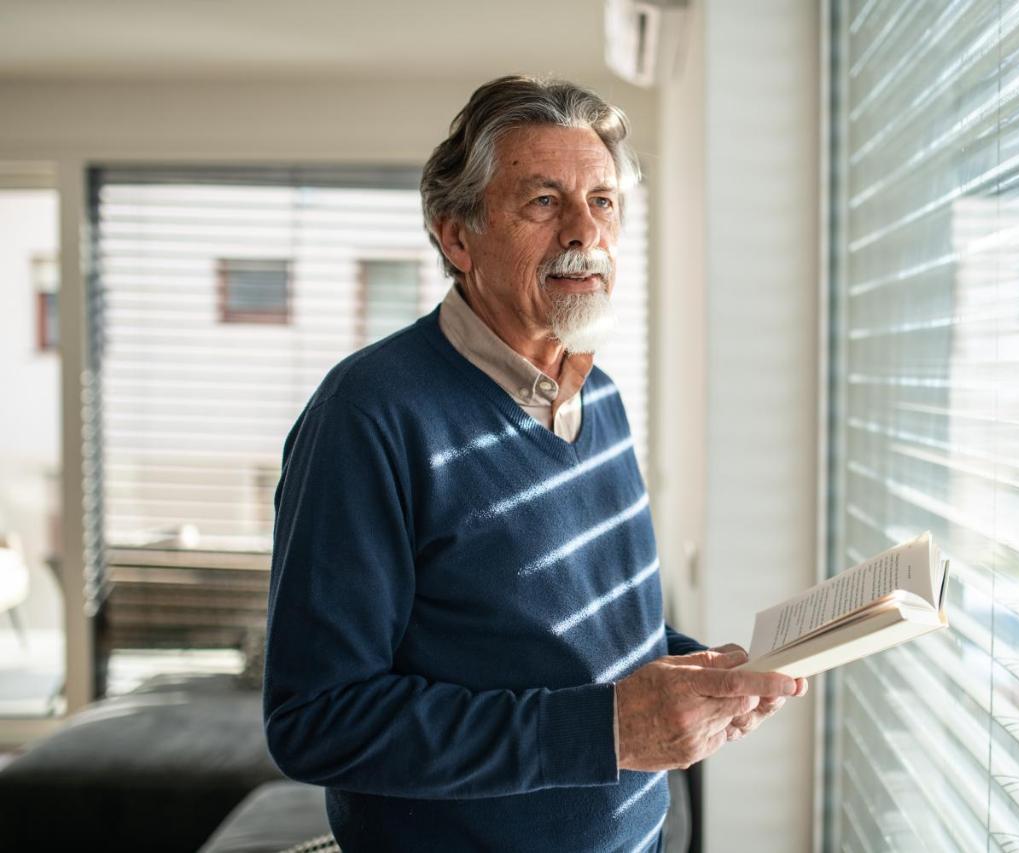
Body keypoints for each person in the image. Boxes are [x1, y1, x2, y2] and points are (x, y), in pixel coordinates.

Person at [262, 75, 806, 853]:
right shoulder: (370, 413)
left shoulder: (604, 400)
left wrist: (697, 672)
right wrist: (610, 728)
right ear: (458, 236)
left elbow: (580, 633)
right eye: (545, 202)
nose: (585, 231)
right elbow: (315, 720)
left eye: (604, 201)